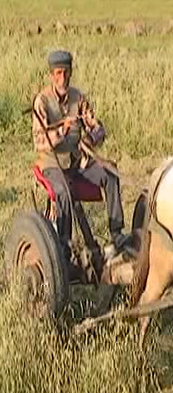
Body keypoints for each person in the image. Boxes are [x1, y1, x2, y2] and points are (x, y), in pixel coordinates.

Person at [32, 50, 131, 264]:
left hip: (77, 162)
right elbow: (39, 141)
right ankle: (64, 247)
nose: (63, 78)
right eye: (58, 73)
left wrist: (90, 139)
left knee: (110, 174)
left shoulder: (78, 98)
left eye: (66, 73)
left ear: (71, 72)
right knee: (64, 191)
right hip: (52, 164)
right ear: (51, 75)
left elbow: (98, 128)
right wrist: (61, 132)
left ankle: (117, 235)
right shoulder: (42, 101)